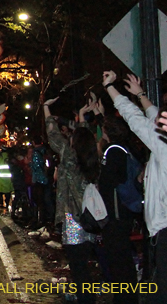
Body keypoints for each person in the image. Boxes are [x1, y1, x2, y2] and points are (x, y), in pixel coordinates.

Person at [105, 72, 166, 302]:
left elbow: (137, 121)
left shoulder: (164, 145)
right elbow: (152, 117)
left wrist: (111, 88)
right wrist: (140, 94)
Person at [45, 96, 98, 304]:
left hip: (74, 218)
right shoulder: (91, 157)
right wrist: (82, 118)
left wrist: (47, 109)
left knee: (78, 266)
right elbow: (86, 136)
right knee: (84, 262)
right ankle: (87, 297)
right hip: (90, 217)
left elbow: (54, 136)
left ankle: (85, 299)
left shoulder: (69, 157)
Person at [98, 72, 139, 304]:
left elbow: (109, 181)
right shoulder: (123, 147)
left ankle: (125, 298)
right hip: (121, 211)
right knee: (121, 257)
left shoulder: (113, 151)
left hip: (115, 213)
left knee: (119, 258)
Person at [0, 150, 13, 214]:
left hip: (0, 178)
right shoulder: (10, 157)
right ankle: (7, 204)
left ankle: (1, 202)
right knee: (8, 193)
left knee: (0, 192)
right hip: (8, 178)